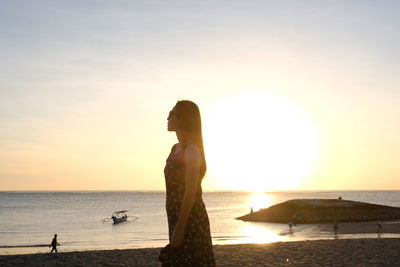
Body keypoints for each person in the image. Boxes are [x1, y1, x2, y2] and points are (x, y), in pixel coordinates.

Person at [162, 100, 215, 266]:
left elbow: (190, 192)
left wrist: (180, 228)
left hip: (190, 219)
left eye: (172, 113)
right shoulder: (175, 149)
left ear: (183, 119)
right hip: (176, 216)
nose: (168, 117)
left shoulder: (191, 150)